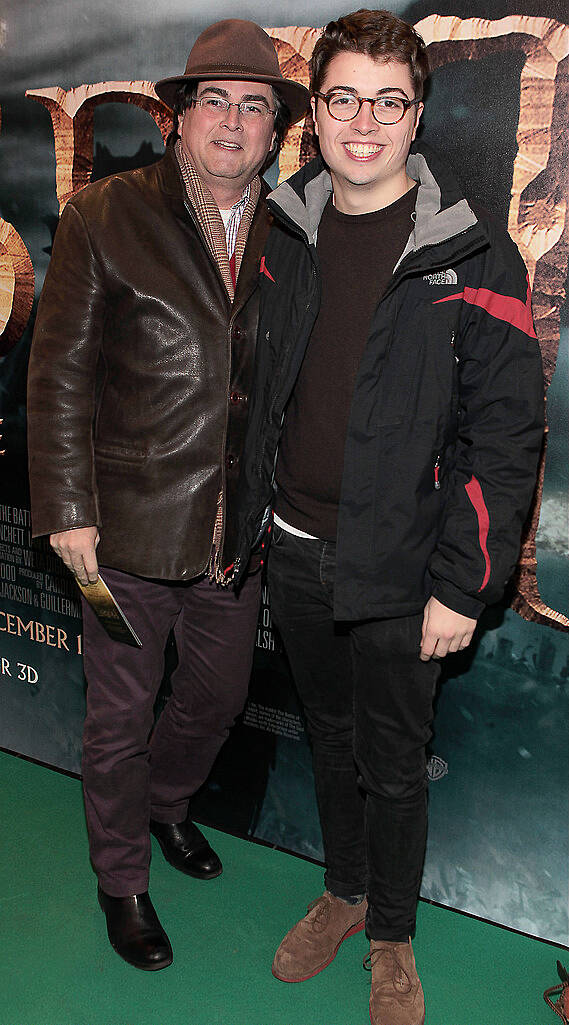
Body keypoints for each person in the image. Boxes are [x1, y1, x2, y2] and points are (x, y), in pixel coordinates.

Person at [233, 9, 544, 1023]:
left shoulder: (474, 255)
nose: (361, 120)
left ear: (416, 114)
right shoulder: (284, 227)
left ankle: (392, 936)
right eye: (340, 98)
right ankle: (343, 886)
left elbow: (503, 438)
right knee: (326, 735)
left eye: (386, 99)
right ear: (312, 111)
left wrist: (465, 581)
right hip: (294, 545)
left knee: (392, 760)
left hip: (405, 567)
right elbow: (262, 382)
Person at [27, 19, 309, 972]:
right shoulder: (105, 215)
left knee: (218, 695)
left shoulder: (292, 229)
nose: (234, 121)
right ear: (180, 115)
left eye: (256, 105)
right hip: (123, 527)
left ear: (277, 129)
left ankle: (166, 807)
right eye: (215, 100)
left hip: (234, 528)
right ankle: (122, 879)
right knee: (118, 716)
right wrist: (66, 507)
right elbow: (58, 373)